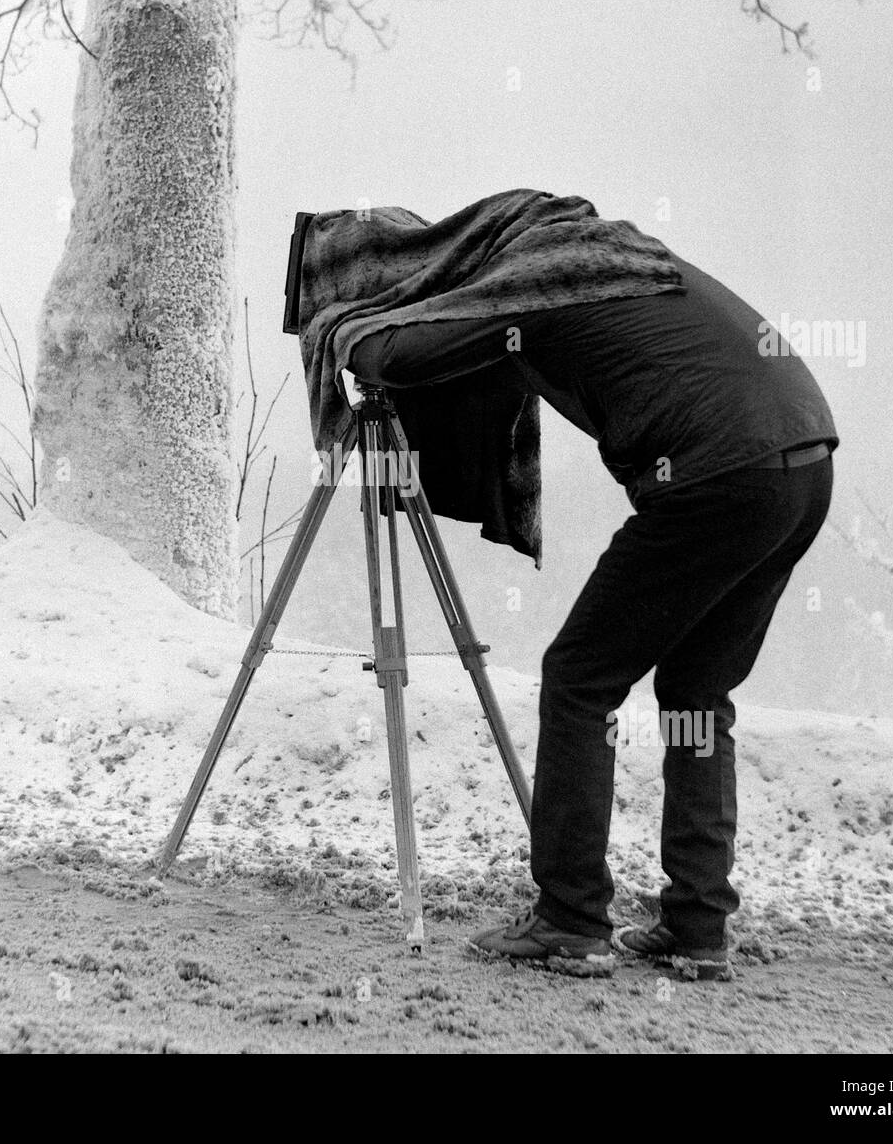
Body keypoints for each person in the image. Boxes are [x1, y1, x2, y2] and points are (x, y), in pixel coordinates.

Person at [345, 250, 837, 981]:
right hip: (803, 464)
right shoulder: (621, 264)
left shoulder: (540, 285)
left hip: (718, 473)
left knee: (579, 677)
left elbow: (398, 354)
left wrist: (345, 325)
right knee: (698, 695)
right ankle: (698, 930)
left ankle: (570, 921)